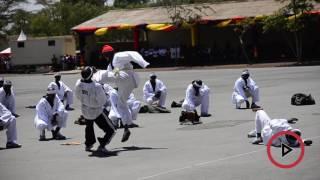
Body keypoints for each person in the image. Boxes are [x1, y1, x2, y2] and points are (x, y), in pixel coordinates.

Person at [95, 44, 149, 142]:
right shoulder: (109, 66)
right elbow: (112, 76)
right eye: (105, 55)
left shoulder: (118, 56)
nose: (107, 57)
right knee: (121, 104)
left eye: (107, 54)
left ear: (111, 53)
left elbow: (132, 54)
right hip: (125, 83)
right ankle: (126, 127)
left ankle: (93, 75)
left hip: (128, 75)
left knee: (101, 75)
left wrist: (143, 63)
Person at [75, 67, 116, 153]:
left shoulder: (79, 83)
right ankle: (102, 145)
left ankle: (88, 144)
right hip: (96, 111)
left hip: (85, 110)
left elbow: (78, 96)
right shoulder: (96, 86)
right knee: (112, 130)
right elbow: (103, 100)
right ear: (91, 75)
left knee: (89, 126)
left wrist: (85, 101)